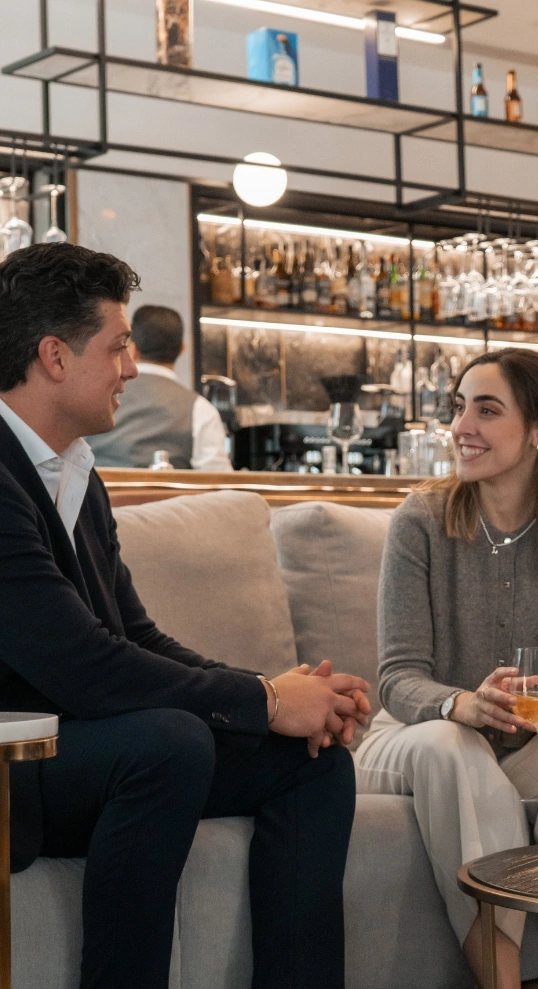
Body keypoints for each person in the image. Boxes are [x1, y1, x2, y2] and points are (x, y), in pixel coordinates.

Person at [0, 242, 370, 989]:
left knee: (315, 760)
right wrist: (264, 701)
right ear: (55, 357)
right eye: (119, 345)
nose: (133, 368)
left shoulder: (76, 472)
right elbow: (86, 666)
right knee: (166, 741)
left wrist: (280, 695)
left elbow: (135, 636)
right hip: (12, 768)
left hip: (79, 755)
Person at [355, 348, 538, 989]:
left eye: (487, 410)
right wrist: (461, 702)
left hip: (525, 745)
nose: (463, 427)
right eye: (459, 408)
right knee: (456, 748)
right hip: (412, 738)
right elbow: (398, 679)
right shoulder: (420, 522)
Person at [87, 303, 233, 470]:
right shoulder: (200, 409)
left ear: (132, 349)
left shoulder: (96, 397)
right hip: (174, 497)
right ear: (182, 350)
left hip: (100, 494)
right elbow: (218, 482)